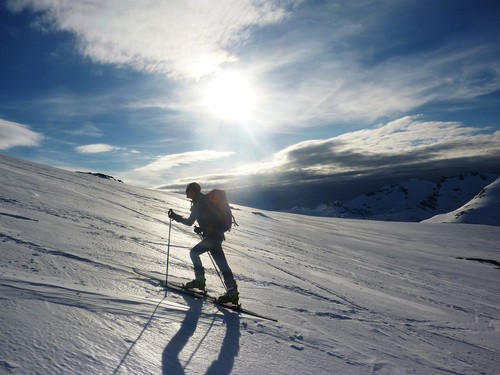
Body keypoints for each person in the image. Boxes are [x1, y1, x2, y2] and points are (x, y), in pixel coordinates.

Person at [168, 182, 239, 305]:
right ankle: (232, 292)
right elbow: (202, 220)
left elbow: (196, 221)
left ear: (194, 191)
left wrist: (175, 216)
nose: (186, 192)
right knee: (222, 265)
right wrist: (202, 228)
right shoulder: (202, 201)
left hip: (212, 237)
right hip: (216, 236)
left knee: (194, 253)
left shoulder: (200, 202)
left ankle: (200, 281)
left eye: (188, 190)